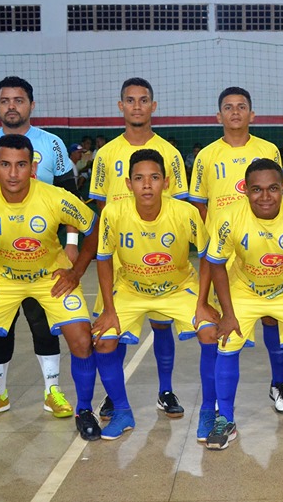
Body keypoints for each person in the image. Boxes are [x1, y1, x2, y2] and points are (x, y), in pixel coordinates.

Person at [0, 134, 100, 446]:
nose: (13, 173)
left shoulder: (55, 197)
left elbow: (92, 228)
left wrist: (76, 271)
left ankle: (83, 411)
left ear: (33, 168)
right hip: (2, 278)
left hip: (50, 276)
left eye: (21, 165)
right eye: (6, 165)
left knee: (81, 340)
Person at [0, 76, 79, 422]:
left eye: (18, 100)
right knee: (0, 327)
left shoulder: (52, 144)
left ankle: (52, 391)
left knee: (43, 324)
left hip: (46, 260)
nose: (11, 106)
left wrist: (72, 246)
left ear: (31, 104)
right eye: (4, 100)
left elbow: (71, 198)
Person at [201, 158, 283, 448]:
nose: (265, 197)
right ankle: (224, 419)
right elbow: (216, 265)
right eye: (257, 190)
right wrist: (227, 314)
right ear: (246, 191)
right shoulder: (228, 217)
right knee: (226, 341)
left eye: (273, 188)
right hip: (245, 289)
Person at [92, 149, 217, 441]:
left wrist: (202, 304)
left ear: (167, 181)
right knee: (104, 340)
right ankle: (122, 411)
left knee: (211, 333)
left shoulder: (184, 213)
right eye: (139, 178)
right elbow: (103, 258)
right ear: (128, 184)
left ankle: (210, 411)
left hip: (177, 288)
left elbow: (208, 256)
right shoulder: (113, 212)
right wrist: (108, 309)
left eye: (154, 178)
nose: (146, 185)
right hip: (131, 288)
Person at [89, 77, 188, 422]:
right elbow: (101, 208)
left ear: (153, 106)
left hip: (159, 255)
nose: (136, 106)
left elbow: (179, 209)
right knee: (112, 327)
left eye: (143, 100)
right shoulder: (105, 154)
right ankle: (115, 399)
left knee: (162, 326)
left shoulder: (170, 154)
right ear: (121, 106)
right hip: (118, 255)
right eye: (130, 100)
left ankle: (165, 390)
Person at [188, 87, 283, 412]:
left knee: (272, 319)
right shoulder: (206, 156)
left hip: (265, 250)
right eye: (228, 108)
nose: (235, 112)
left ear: (252, 114)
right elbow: (198, 205)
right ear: (218, 116)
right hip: (224, 257)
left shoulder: (269, 149)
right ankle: (220, 400)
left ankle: (278, 384)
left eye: (242, 107)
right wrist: (215, 239)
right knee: (222, 323)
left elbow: (280, 198)